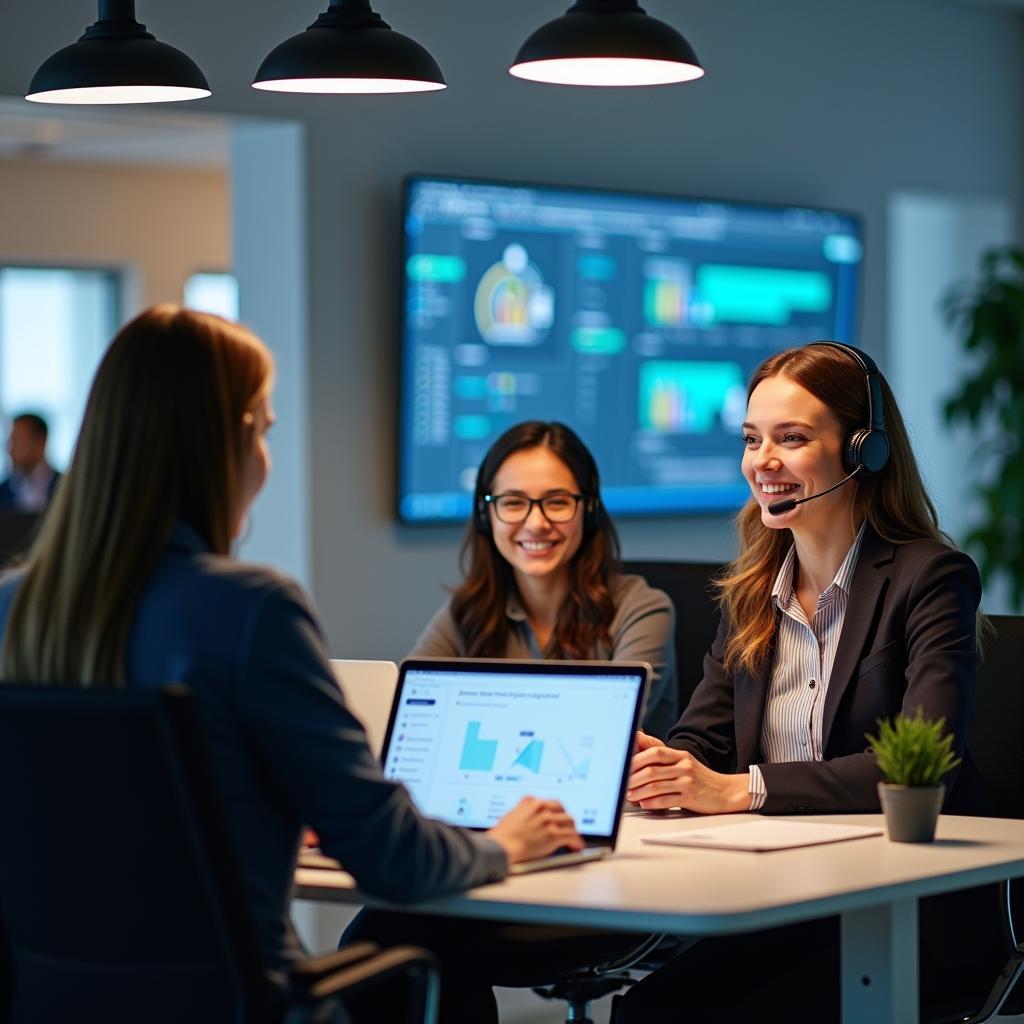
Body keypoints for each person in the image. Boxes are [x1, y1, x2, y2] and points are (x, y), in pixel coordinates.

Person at [0, 306, 582, 1003]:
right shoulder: (251, 609)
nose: (267, 459)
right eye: (267, 431)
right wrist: (507, 843)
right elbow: (393, 861)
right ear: (232, 438)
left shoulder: (12, 608)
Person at [615, 341, 999, 1023]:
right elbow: (700, 742)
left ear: (863, 452)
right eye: (752, 439)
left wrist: (742, 788)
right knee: (649, 1011)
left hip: (901, 907)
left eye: (791, 439)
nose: (762, 463)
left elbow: (920, 767)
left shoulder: (930, 578)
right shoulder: (752, 593)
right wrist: (663, 767)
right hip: (779, 890)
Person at [412, 420, 679, 737]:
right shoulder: (466, 612)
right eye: (513, 503)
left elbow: (600, 733)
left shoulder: (642, 610)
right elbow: (414, 715)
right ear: (487, 516)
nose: (536, 523)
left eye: (557, 502)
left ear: (589, 509)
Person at [0, 412, 60, 511]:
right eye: (10, 440)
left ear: (40, 442)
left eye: (17, 440)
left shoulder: (64, 487)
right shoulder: (2, 492)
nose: (10, 449)